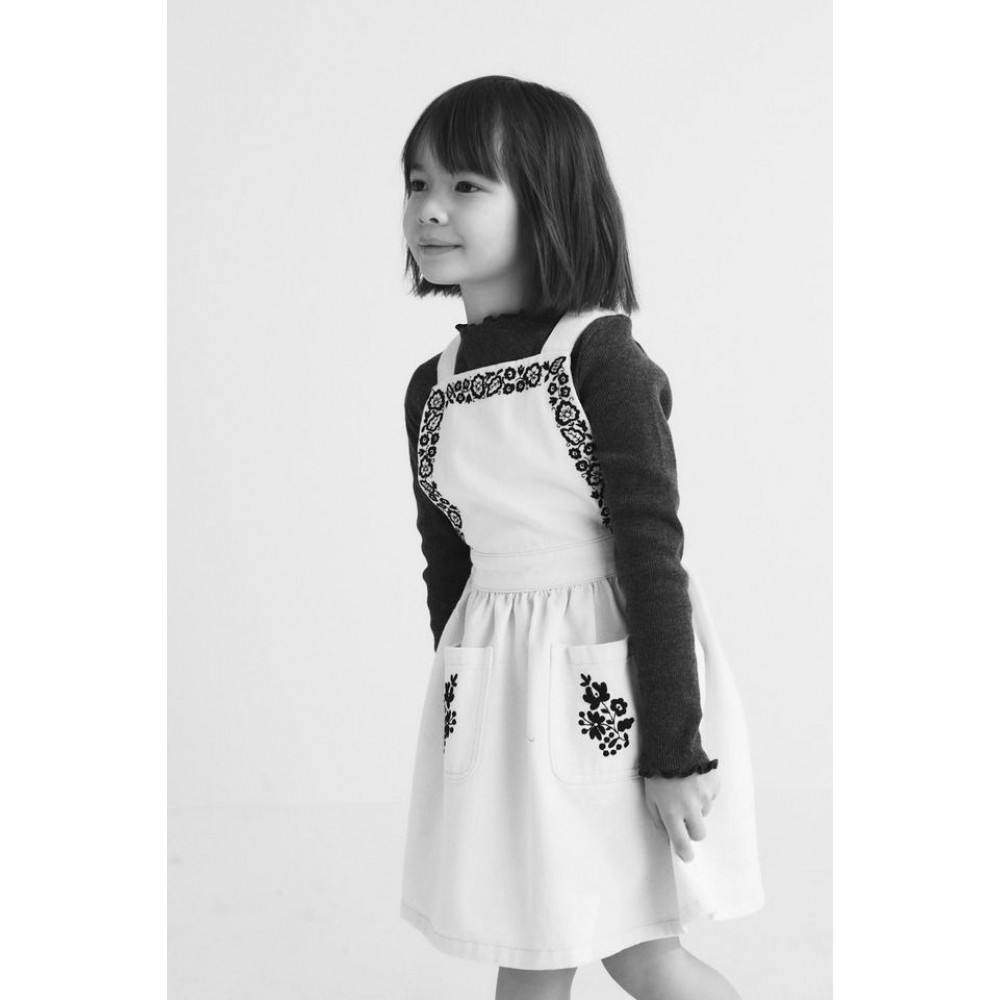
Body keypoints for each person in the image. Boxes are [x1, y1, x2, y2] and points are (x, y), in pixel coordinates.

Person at [397, 75, 765, 1000]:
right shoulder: (431, 386)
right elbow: (447, 564)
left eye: (466, 185)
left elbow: (651, 552)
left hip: (609, 689)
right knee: (528, 944)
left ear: (548, 200)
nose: (431, 209)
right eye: (417, 183)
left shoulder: (601, 359)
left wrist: (674, 747)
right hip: (497, 691)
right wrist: (461, 707)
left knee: (640, 952)